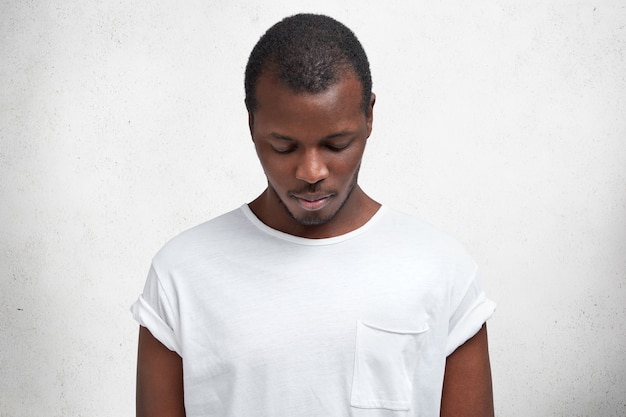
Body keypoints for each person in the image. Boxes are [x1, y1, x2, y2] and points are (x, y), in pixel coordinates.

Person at [132, 13, 496, 417]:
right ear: (252, 122)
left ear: (369, 116)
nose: (311, 172)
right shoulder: (181, 274)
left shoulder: (442, 269)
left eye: (337, 144)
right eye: (284, 147)